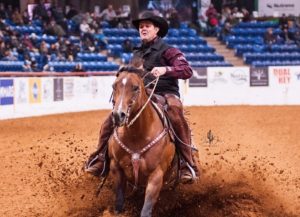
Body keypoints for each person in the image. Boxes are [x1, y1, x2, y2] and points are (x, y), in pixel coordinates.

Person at [85, 11, 199, 183]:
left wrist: (166, 70)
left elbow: (186, 70)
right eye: (141, 27)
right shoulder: (137, 53)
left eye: (147, 26)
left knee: (175, 113)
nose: (143, 29)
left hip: (165, 94)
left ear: (156, 29)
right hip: (142, 95)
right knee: (111, 119)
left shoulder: (169, 51)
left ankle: (187, 163)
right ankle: (100, 158)